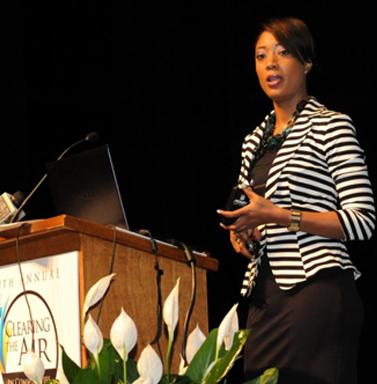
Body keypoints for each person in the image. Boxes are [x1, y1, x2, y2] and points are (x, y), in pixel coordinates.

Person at [217, 17, 375, 383]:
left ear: (306, 63)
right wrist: (243, 232)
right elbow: (251, 211)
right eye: (261, 55)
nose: (270, 63)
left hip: (316, 290)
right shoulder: (252, 141)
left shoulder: (332, 124)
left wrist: (280, 216)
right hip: (263, 298)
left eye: (283, 52)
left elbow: (362, 220)